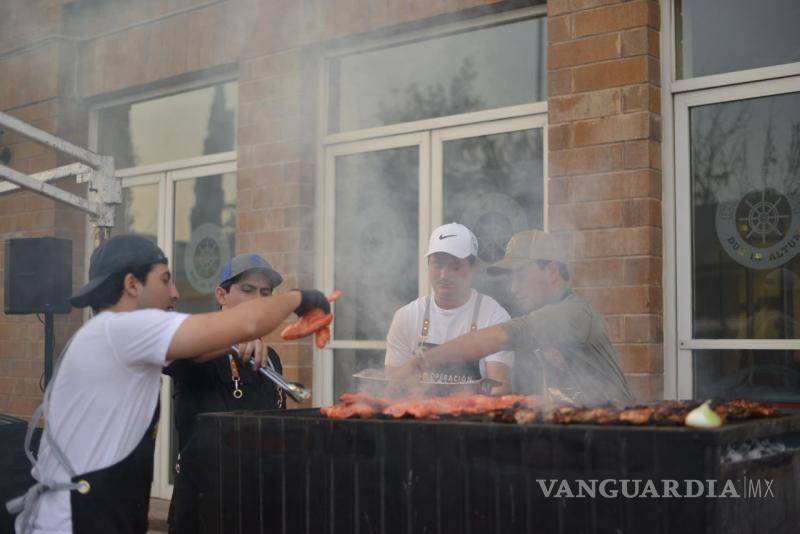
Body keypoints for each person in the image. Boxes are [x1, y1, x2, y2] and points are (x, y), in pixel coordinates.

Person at [8, 234, 330, 534]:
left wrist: (245, 341)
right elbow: (246, 321)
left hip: (99, 512)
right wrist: (303, 299)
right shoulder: (123, 329)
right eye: (165, 279)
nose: (175, 292)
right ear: (132, 285)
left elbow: (205, 349)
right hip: (74, 520)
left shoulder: (117, 336)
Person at [394, 229, 633, 405]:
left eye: (519, 276)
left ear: (551, 271)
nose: (513, 288)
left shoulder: (571, 313)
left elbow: (498, 337)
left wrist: (421, 361)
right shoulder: (546, 315)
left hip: (613, 432)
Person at [164, 253, 288, 534]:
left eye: (265, 292)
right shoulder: (197, 349)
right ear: (221, 295)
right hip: (203, 503)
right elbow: (183, 351)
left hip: (258, 501)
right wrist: (233, 338)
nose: (258, 299)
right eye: (247, 290)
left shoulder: (272, 359)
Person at [384, 223, 513, 394]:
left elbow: (499, 387)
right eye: (437, 265)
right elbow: (392, 387)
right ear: (428, 265)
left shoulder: (494, 316)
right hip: (418, 415)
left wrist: (462, 393)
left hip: (473, 417)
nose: (444, 275)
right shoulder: (406, 316)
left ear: (473, 266)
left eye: (455, 267)